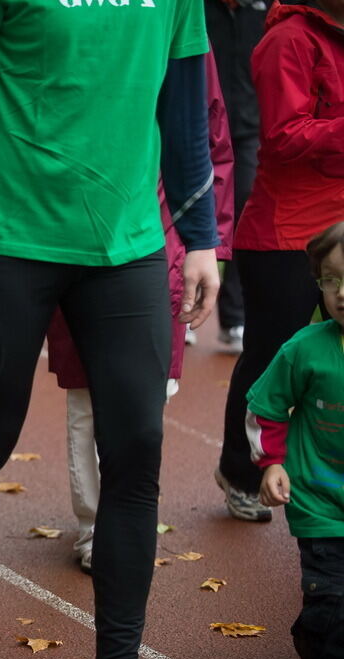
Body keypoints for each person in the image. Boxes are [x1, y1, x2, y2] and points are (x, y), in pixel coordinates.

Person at [0, 1, 222, 659]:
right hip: (4, 235)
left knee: (136, 449)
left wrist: (202, 239)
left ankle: (118, 654)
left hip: (125, 242)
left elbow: (186, 110)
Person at [46, 47, 236, 574]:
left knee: (148, 397)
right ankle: (93, 528)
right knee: (86, 395)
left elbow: (212, 138)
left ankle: (124, 517)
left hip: (158, 239)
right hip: (72, 229)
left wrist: (210, 244)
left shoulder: (177, 21)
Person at [217, 0, 344, 523]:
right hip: (285, 234)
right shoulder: (287, 39)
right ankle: (241, 470)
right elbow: (284, 134)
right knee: (271, 361)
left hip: (338, 228)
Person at [249, 221, 344, 659]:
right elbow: (265, 406)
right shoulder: (304, 350)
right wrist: (272, 463)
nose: (341, 292)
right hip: (320, 503)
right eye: (332, 279)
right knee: (330, 603)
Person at [202, 0, 271, 353]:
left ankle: (233, 317)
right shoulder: (196, 7)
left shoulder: (269, 9)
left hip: (246, 129)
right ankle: (178, 307)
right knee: (190, 211)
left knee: (241, 211)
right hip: (197, 127)